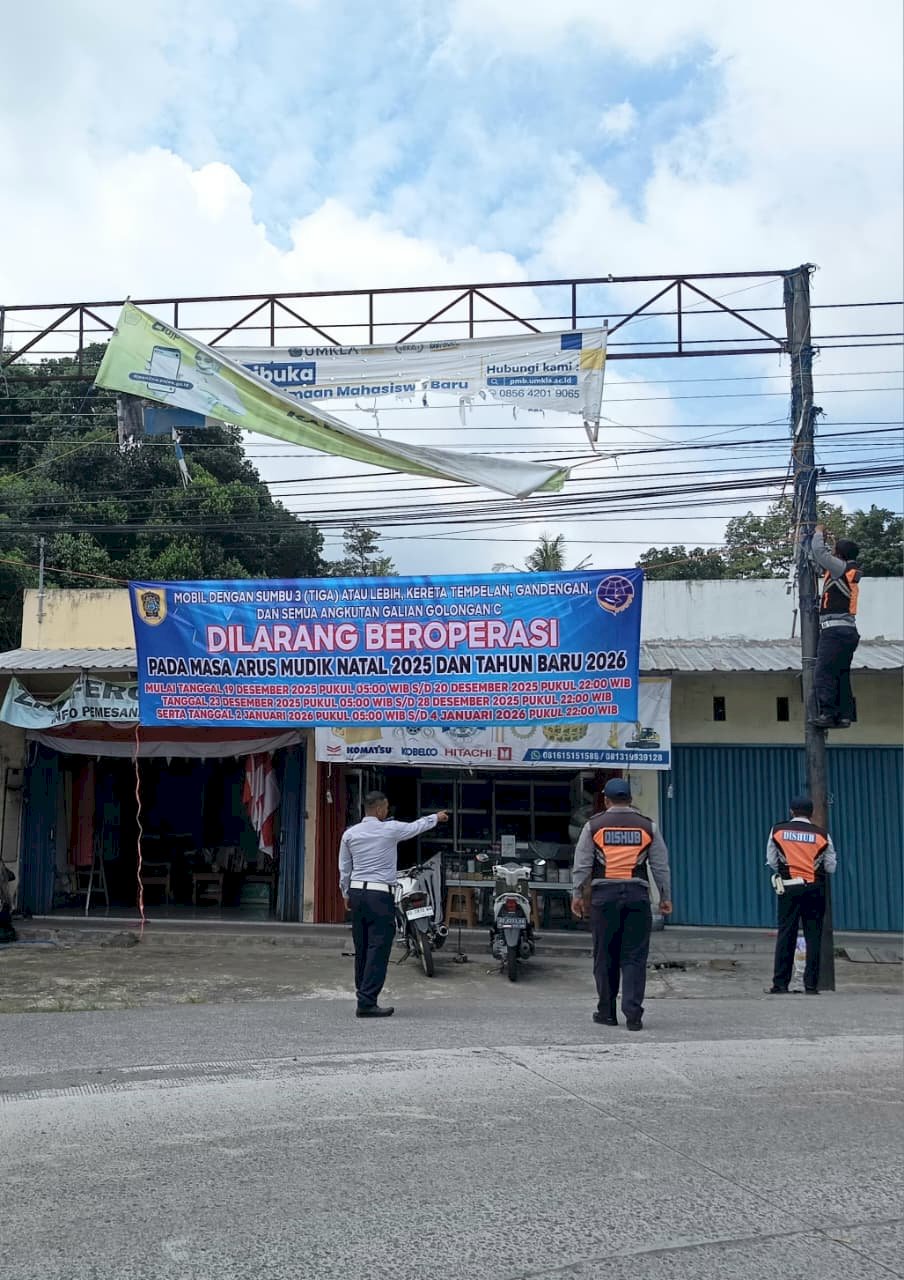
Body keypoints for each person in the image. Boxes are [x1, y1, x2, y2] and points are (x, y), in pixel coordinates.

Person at [570, 778, 672, 1031]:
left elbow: (582, 865)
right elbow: (660, 866)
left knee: (604, 956)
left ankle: (606, 1012)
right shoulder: (648, 826)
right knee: (634, 957)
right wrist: (665, 896)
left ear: (605, 799)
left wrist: (576, 895)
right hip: (637, 896)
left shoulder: (594, 825)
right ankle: (633, 1016)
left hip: (604, 898)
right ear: (630, 799)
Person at [339, 791, 448, 1018]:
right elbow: (416, 827)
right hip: (380, 896)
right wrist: (436, 817)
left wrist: (346, 893)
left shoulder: (350, 834)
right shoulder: (389, 829)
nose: (387, 812)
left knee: (362, 946)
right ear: (379, 809)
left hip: (358, 893)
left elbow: (345, 868)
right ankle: (367, 1003)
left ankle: (363, 993)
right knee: (378, 948)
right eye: (386, 808)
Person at [766, 795, 837, 994]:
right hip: (815, 889)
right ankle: (811, 986)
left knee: (786, 933)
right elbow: (831, 867)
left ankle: (780, 984)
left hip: (788, 887)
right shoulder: (822, 835)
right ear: (812, 813)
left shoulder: (778, 830)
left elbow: (772, 861)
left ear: (791, 811)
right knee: (813, 935)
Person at [810, 524, 861, 729]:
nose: (831, 552)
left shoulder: (840, 568)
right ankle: (844, 716)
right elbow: (818, 561)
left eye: (834, 550)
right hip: (847, 631)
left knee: (824, 672)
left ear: (839, 554)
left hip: (835, 631)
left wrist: (819, 532)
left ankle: (828, 714)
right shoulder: (845, 570)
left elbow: (819, 552)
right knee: (840, 673)